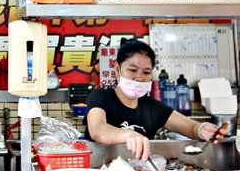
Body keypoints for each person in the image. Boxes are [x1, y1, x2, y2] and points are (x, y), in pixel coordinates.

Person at [84, 39, 222, 160]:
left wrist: (202, 129)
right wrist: (129, 136)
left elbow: (191, 127)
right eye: (132, 70)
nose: (139, 77)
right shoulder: (101, 97)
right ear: (117, 69)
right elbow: (98, 130)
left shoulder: (152, 107)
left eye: (146, 72)